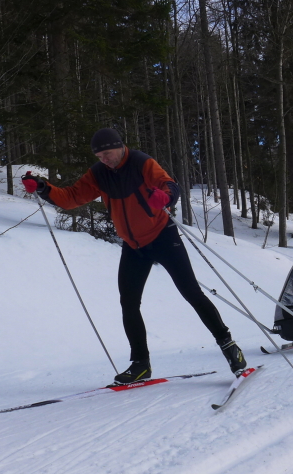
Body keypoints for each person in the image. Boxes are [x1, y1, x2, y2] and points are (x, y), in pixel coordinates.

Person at [21, 128, 246, 384]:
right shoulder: (98, 173)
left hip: (163, 236)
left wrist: (166, 197)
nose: (104, 159)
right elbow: (72, 198)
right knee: (129, 303)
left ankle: (229, 347)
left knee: (191, 292)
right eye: (99, 156)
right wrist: (43, 187)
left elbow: (169, 185)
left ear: (120, 146)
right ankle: (140, 364)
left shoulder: (141, 162)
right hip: (133, 246)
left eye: (107, 154)